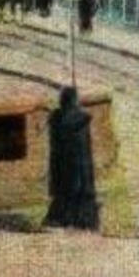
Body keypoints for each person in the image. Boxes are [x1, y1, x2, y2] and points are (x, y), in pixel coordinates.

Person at [44, 87, 99, 230]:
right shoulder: (80, 118)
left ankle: (64, 219)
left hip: (61, 167)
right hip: (76, 166)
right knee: (77, 192)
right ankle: (80, 221)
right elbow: (81, 119)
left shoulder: (55, 118)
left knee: (64, 194)